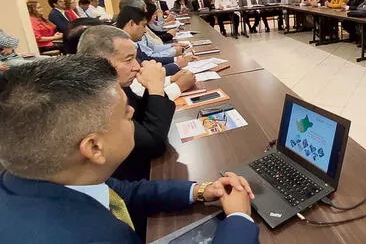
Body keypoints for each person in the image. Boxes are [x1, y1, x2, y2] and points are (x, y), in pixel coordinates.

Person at [0, 55, 259, 244]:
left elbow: (121, 191)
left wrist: (201, 190)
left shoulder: (35, 177)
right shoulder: (96, 236)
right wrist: (238, 219)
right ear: (93, 147)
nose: (133, 111)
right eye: (125, 113)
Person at [77, 24, 188, 183]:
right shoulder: (96, 99)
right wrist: (156, 88)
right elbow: (153, 146)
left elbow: (141, 117)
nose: (137, 66)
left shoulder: (115, 85)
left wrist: (152, 87)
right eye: (129, 59)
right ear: (98, 62)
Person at [114, 6, 184, 76]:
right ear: (132, 23)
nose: (145, 31)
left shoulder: (130, 41)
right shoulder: (121, 46)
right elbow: (144, 66)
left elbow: (145, 58)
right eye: (143, 26)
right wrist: (176, 65)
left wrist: (176, 59)